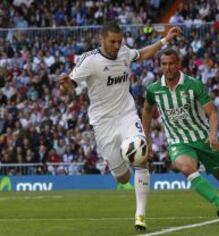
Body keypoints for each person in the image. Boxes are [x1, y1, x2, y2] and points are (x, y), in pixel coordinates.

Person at [59, 22, 181, 231]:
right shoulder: (89, 61)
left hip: (126, 115)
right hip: (103, 123)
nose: (116, 45)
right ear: (102, 40)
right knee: (123, 177)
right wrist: (64, 87)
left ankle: (140, 215)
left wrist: (164, 41)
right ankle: (124, 166)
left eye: (119, 41)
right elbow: (69, 88)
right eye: (112, 41)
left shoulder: (124, 52)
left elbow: (141, 54)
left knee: (141, 157)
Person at [142, 48, 219, 221]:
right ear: (160, 66)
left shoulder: (193, 85)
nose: (168, 67)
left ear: (178, 64)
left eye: (171, 63)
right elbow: (147, 110)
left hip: (203, 139)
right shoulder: (154, 89)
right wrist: (147, 138)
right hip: (178, 141)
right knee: (186, 168)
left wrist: (212, 134)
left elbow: (212, 113)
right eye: (164, 64)